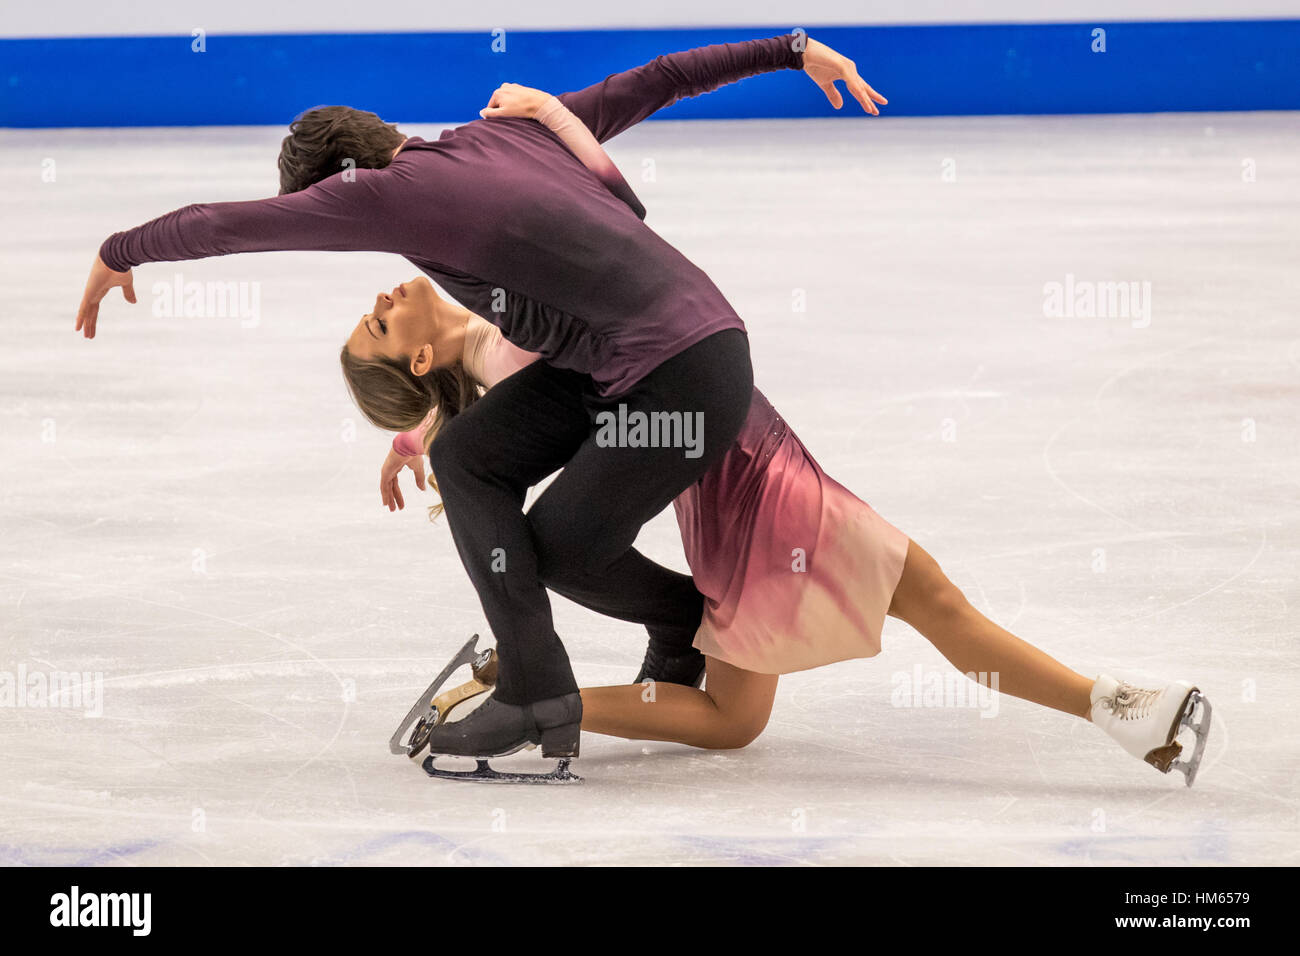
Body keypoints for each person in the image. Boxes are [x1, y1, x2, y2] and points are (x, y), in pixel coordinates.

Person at [347, 88, 1212, 786]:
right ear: (421, 360)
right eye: (378, 327)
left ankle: (536, 693)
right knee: (931, 609)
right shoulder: (511, 330)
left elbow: (509, 387)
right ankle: (1117, 706)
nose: (381, 300)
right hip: (756, 476)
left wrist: (413, 438)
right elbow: (603, 235)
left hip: (732, 482)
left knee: (737, 721)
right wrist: (557, 120)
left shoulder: (496, 345)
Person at [74, 34, 891, 767]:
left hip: (676, 374)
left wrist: (120, 250)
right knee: (466, 456)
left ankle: (542, 689)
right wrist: (791, 49)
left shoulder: (378, 192)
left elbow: (227, 225)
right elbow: (661, 77)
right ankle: (661, 630)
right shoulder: (510, 131)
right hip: (660, 354)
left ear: (343, 181)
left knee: (560, 544)